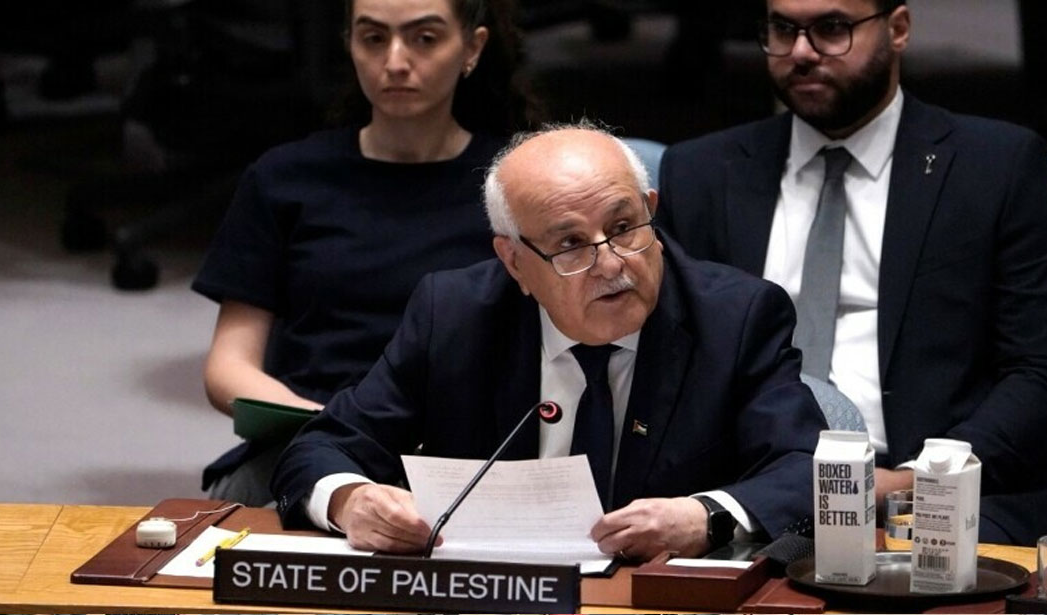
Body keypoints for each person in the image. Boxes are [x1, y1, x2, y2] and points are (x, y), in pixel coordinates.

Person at [271, 124, 828, 561]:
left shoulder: (734, 317)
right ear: (514, 261)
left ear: (651, 212)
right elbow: (322, 448)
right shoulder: (455, 315)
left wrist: (708, 516)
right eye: (570, 244)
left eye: (624, 228)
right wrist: (349, 500)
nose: (611, 263)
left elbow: (810, 469)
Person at [656, 0, 1047, 545]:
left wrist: (916, 480)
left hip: (938, 490)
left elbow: (1046, 370)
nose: (801, 52)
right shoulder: (701, 173)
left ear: (897, 29)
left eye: (832, 29)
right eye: (783, 29)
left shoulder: (994, 165)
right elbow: (668, 359)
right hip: (745, 492)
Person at [192, 0, 540, 506]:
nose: (395, 61)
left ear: (472, 47)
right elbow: (228, 365)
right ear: (349, 45)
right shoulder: (286, 178)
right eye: (374, 38)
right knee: (235, 535)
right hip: (312, 436)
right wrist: (332, 431)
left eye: (424, 39)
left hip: (467, 454)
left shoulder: (517, 185)